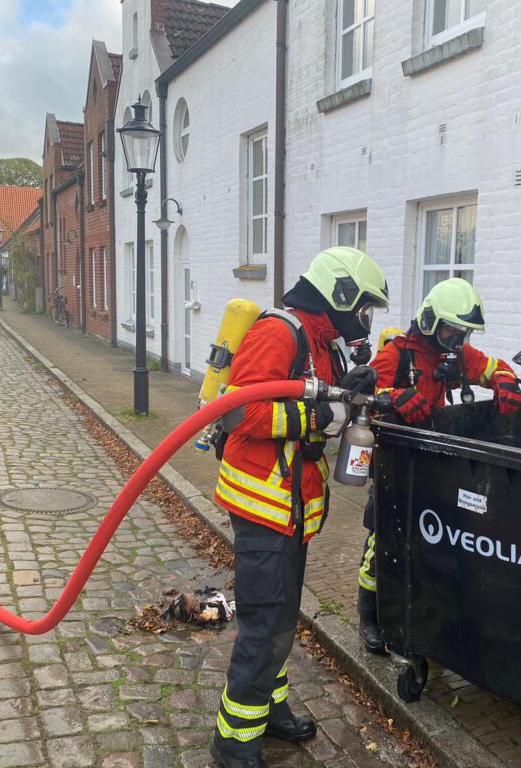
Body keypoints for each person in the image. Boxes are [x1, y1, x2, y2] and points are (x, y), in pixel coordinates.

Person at [210, 246, 390, 768]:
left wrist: (350, 399)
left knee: (283, 616)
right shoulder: (279, 331)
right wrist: (318, 414)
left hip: (290, 508)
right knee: (266, 623)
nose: (365, 319)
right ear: (340, 294)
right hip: (263, 505)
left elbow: (325, 412)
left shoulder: (321, 343)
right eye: (363, 307)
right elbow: (240, 411)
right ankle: (233, 742)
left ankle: (268, 709)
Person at [356, 277, 521, 653]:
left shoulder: (456, 355)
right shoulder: (396, 354)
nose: (457, 338)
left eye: (462, 332)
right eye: (451, 329)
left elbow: (493, 366)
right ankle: (370, 613)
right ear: (431, 320)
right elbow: (359, 395)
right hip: (394, 460)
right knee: (382, 537)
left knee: (431, 536)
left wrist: (505, 381)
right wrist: (393, 396)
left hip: (434, 460)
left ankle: (420, 606)